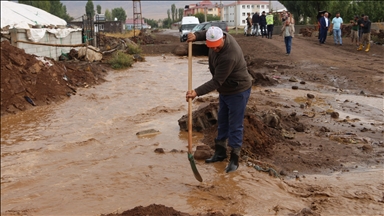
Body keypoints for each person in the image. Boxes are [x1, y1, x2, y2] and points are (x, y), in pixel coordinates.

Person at [185, 26, 252, 173]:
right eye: (212, 47)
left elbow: (216, 82)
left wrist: (196, 92)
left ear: (222, 39)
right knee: (222, 121)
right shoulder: (216, 35)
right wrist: (195, 36)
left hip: (238, 90)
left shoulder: (230, 55)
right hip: (226, 90)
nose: (214, 50)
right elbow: (206, 32)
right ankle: (220, 153)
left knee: (235, 124)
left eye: (216, 47)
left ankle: (234, 159)